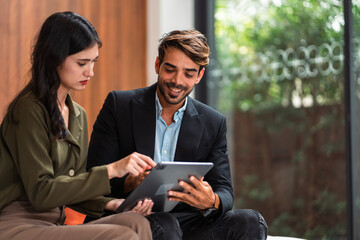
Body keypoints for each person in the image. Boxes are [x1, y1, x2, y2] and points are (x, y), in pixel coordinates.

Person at [87, 29, 268, 240]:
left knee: (250, 221)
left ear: (199, 75)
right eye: (170, 70)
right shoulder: (119, 106)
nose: (177, 81)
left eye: (188, 74)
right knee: (165, 223)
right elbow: (93, 175)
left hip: (187, 222)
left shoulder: (213, 122)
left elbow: (224, 189)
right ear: (157, 65)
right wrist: (130, 183)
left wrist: (211, 201)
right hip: (133, 217)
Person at [0, 11, 155, 240]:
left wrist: (115, 203)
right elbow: (42, 193)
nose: (90, 72)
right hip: (17, 224)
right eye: (82, 63)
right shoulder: (28, 110)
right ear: (55, 58)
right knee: (123, 236)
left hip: (54, 222)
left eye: (93, 62)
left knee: (135, 222)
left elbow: (73, 188)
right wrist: (111, 170)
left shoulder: (78, 115)